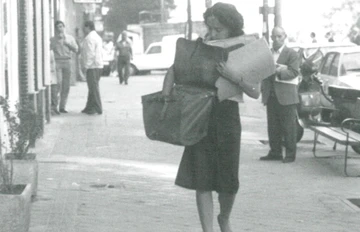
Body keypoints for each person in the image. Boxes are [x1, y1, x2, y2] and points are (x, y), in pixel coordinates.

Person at [162, 3, 259, 232]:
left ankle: (224, 217)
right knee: (202, 178)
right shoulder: (201, 45)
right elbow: (175, 69)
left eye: (219, 29)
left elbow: (255, 91)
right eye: (211, 28)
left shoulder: (245, 47)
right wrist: (166, 97)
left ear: (231, 27)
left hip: (227, 117)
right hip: (200, 114)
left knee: (228, 181)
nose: (213, 33)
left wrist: (235, 77)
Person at [260, 27, 300, 163]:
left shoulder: (292, 54)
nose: (276, 39)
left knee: (289, 127)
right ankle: (275, 152)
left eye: (279, 36)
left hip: (287, 96)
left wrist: (277, 71)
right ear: (270, 38)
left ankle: (290, 155)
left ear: (285, 37)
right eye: (274, 37)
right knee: (273, 126)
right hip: (271, 94)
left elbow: (294, 72)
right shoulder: (268, 54)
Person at [50, 20, 78, 113]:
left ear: (64, 27)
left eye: (61, 26)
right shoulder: (52, 39)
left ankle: (62, 106)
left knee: (66, 85)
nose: (60, 29)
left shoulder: (70, 38)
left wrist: (67, 43)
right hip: (57, 62)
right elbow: (48, 49)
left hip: (67, 61)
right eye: (58, 27)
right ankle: (55, 106)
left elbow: (76, 49)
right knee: (58, 83)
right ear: (55, 28)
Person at [81, 20, 104, 115]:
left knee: (93, 88)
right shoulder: (97, 37)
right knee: (92, 87)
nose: (83, 29)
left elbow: (90, 53)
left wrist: (86, 66)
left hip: (92, 66)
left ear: (88, 27)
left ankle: (98, 108)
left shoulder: (89, 38)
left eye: (84, 27)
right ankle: (89, 106)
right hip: (98, 65)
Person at [50, 49, 60, 115]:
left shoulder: (51, 51)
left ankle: (54, 107)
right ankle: (53, 108)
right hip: (50, 74)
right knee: (53, 90)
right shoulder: (50, 51)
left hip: (52, 73)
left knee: (55, 90)